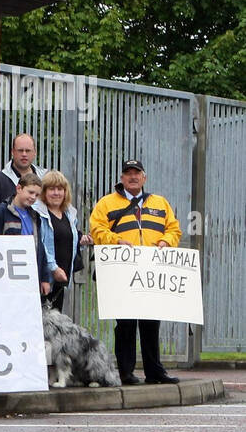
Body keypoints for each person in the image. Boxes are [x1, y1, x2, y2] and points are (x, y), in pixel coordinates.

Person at [89, 160, 182, 385]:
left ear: (144, 178)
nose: (132, 177)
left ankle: (154, 371)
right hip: (122, 271)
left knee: (151, 322)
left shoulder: (160, 203)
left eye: (136, 173)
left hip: (152, 271)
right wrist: (116, 240)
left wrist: (166, 242)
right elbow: (97, 229)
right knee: (126, 324)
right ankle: (126, 372)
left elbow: (174, 228)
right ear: (121, 178)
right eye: (128, 173)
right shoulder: (106, 203)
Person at [34, 170, 92, 311]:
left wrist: (81, 241)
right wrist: (52, 269)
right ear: (44, 192)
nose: (56, 193)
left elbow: (67, 240)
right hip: (45, 278)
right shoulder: (37, 213)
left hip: (61, 279)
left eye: (60, 189)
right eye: (51, 189)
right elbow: (40, 245)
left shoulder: (70, 214)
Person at [0, 171, 52, 297]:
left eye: (37, 195)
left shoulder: (35, 216)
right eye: (30, 192)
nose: (33, 197)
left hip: (31, 274)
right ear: (19, 188)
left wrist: (45, 278)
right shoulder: (1, 212)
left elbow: (40, 247)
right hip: (8, 276)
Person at [0, 133, 47, 208]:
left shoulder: (45, 179)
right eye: (20, 150)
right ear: (12, 152)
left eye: (28, 151)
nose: (24, 154)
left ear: (34, 153)